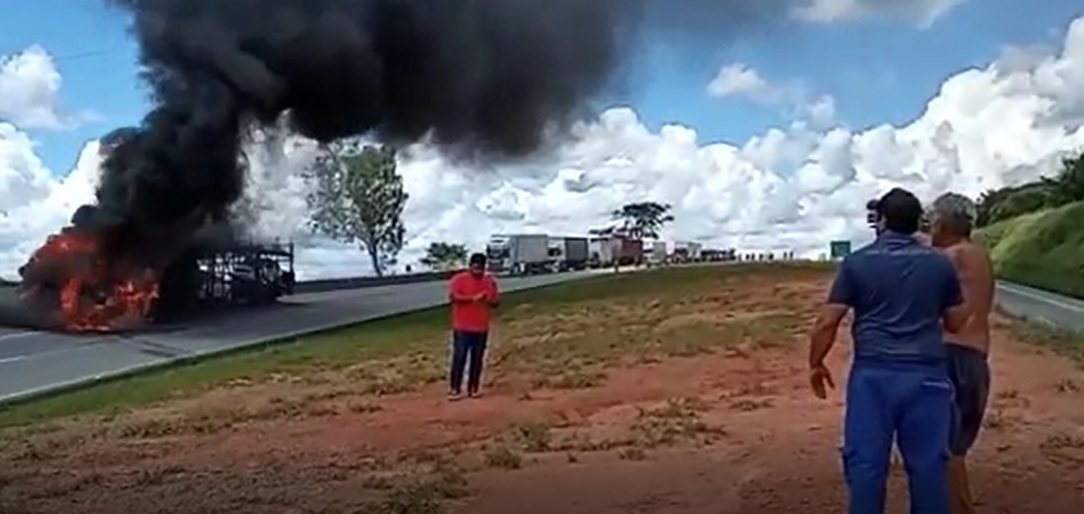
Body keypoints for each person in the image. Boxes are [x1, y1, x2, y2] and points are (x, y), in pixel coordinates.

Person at [809, 187, 970, 514]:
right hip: (927, 376)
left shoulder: (857, 263)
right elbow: (955, 322)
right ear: (917, 222)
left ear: (881, 220)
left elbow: (827, 322)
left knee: (866, 466)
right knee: (928, 467)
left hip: (873, 376)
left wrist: (816, 363)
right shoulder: (939, 265)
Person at [929, 192, 995, 514]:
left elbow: (950, 318)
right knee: (956, 451)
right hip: (977, 358)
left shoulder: (949, 257)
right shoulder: (979, 256)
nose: (929, 229)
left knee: (944, 452)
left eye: (932, 222)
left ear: (944, 224)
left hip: (950, 356)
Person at [446, 252, 499, 401]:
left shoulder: (490, 282)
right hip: (462, 326)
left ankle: (473, 388)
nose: (478, 271)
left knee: (477, 358)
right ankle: (455, 388)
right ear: (470, 266)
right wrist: (472, 298)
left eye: (481, 268)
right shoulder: (459, 279)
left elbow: (496, 302)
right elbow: (453, 297)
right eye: (475, 268)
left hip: (481, 326)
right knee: (460, 356)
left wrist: (488, 299)